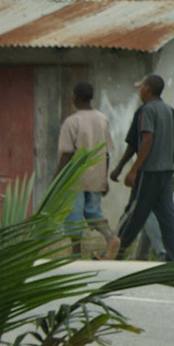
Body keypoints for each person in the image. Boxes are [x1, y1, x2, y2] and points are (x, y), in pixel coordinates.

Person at [114, 73, 174, 263]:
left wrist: (133, 169)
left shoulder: (146, 111)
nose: (140, 91)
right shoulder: (171, 113)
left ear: (148, 89)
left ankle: (115, 250)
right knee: (167, 216)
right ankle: (173, 257)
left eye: (142, 87)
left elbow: (146, 140)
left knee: (134, 212)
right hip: (166, 173)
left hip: (149, 171)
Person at [56, 81, 118, 257]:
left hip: (75, 177)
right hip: (96, 174)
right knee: (93, 211)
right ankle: (110, 237)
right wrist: (104, 178)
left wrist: (57, 178)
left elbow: (67, 153)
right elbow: (106, 152)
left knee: (74, 214)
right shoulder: (102, 119)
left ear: (74, 97)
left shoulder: (72, 121)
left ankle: (76, 252)